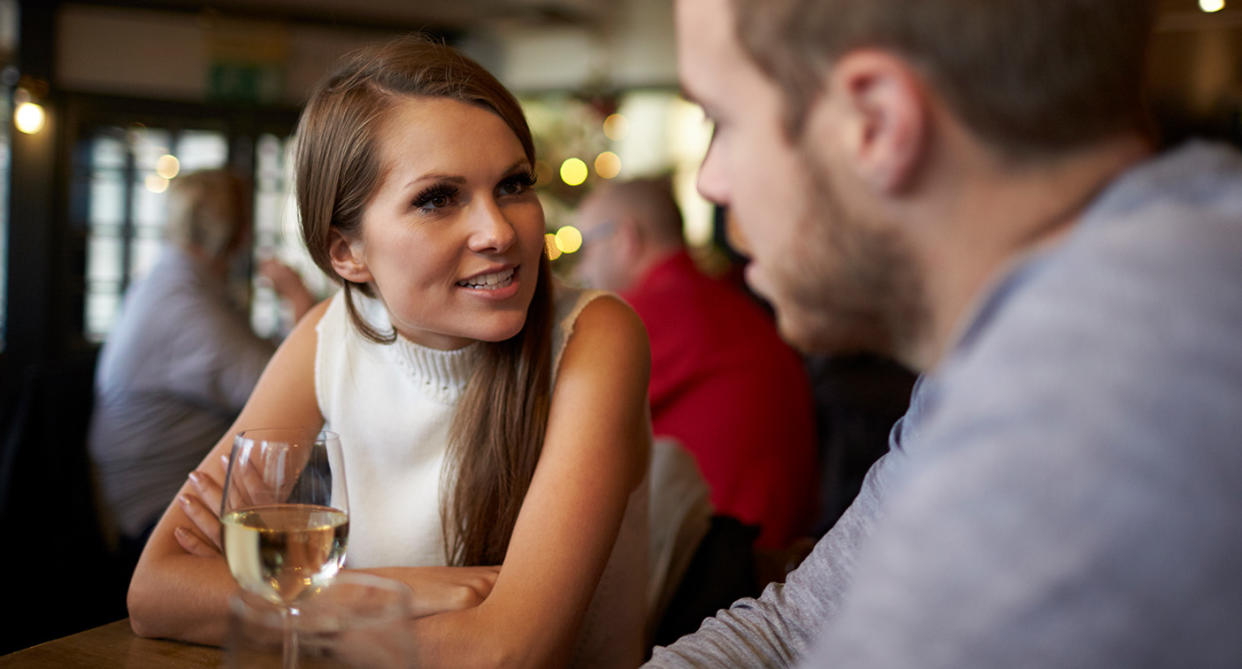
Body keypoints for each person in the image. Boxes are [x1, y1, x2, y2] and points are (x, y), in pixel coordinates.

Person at [648, 0, 1242, 667]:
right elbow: (795, 627)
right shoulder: (1049, 326)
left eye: (722, 122)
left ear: (873, 122)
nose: (709, 180)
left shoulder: (1089, 409)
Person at [127, 36, 652, 668]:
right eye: (438, 198)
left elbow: (510, 653)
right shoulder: (329, 336)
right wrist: (400, 592)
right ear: (346, 252)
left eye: (513, 185)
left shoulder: (595, 337)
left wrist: (291, 610)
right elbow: (157, 591)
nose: (500, 231)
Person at [574, 177, 816, 549]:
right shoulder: (720, 303)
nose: (580, 270)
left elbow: (553, 422)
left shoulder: (647, 315)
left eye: (586, 248)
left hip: (727, 559)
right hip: (777, 541)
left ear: (624, 240)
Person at [88, 168, 314, 562]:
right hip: (156, 513)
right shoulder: (184, 308)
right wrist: (299, 301)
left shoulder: (172, 280)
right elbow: (293, 396)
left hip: (166, 492)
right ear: (239, 233)